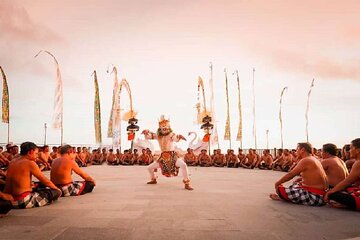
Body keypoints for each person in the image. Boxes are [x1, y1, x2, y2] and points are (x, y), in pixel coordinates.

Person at [4, 142, 61, 209]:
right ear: (30, 152)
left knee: (38, 185)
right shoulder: (30, 163)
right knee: (54, 192)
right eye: (36, 153)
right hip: (22, 200)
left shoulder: (12, 161)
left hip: (8, 199)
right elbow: (43, 179)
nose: (37, 156)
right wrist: (57, 189)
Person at [142, 115, 193, 190]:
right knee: (149, 168)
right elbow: (149, 136)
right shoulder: (158, 135)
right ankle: (153, 179)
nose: (164, 127)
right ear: (160, 127)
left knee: (183, 165)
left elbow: (175, 139)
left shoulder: (171, 134)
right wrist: (146, 132)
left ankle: (187, 183)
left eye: (165, 126)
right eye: (162, 126)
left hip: (172, 156)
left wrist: (179, 137)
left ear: (169, 127)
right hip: (163, 157)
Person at [325, 138, 360, 211]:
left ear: (358, 150)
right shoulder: (344, 161)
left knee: (332, 195)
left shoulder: (358, 163)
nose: (349, 151)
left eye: (351, 148)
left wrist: (330, 192)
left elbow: (347, 181)